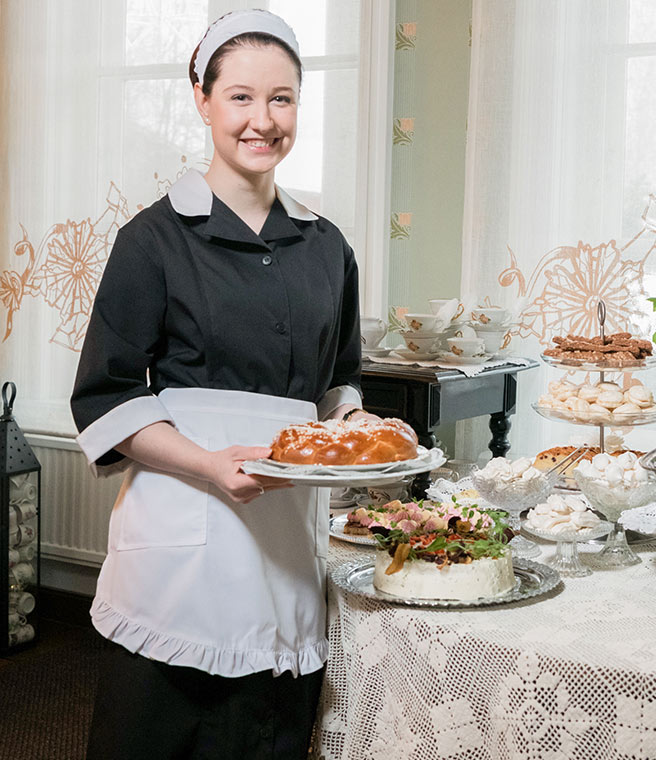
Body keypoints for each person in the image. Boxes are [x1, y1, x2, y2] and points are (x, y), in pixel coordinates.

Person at [70, 10, 368, 758]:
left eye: (281, 99)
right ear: (201, 99)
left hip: (287, 534)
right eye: (240, 97)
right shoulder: (154, 240)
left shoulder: (327, 247)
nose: (262, 121)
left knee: (269, 732)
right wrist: (207, 463)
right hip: (184, 527)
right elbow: (106, 396)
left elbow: (339, 382)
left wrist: (350, 427)